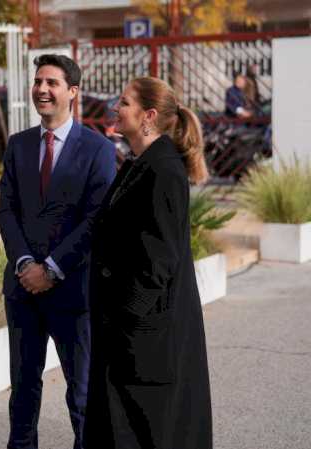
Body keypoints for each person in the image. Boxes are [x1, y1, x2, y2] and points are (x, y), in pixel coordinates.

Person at [83, 76, 213, 449]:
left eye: (124, 103)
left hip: (143, 335)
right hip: (125, 329)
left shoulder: (164, 169)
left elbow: (160, 258)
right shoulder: (140, 163)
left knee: (148, 430)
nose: (114, 109)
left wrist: (126, 318)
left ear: (148, 116)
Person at [0, 54, 116, 449]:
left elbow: (96, 219)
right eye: (38, 82)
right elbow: (6, 210)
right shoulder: (18, 145)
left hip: (73, 290)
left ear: (73, 92)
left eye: (52, 83)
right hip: (22, 290)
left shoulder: (97, 149)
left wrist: (51, 267)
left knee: (81, 393)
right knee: (23, 390)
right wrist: (26, 263)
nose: (42, 90)